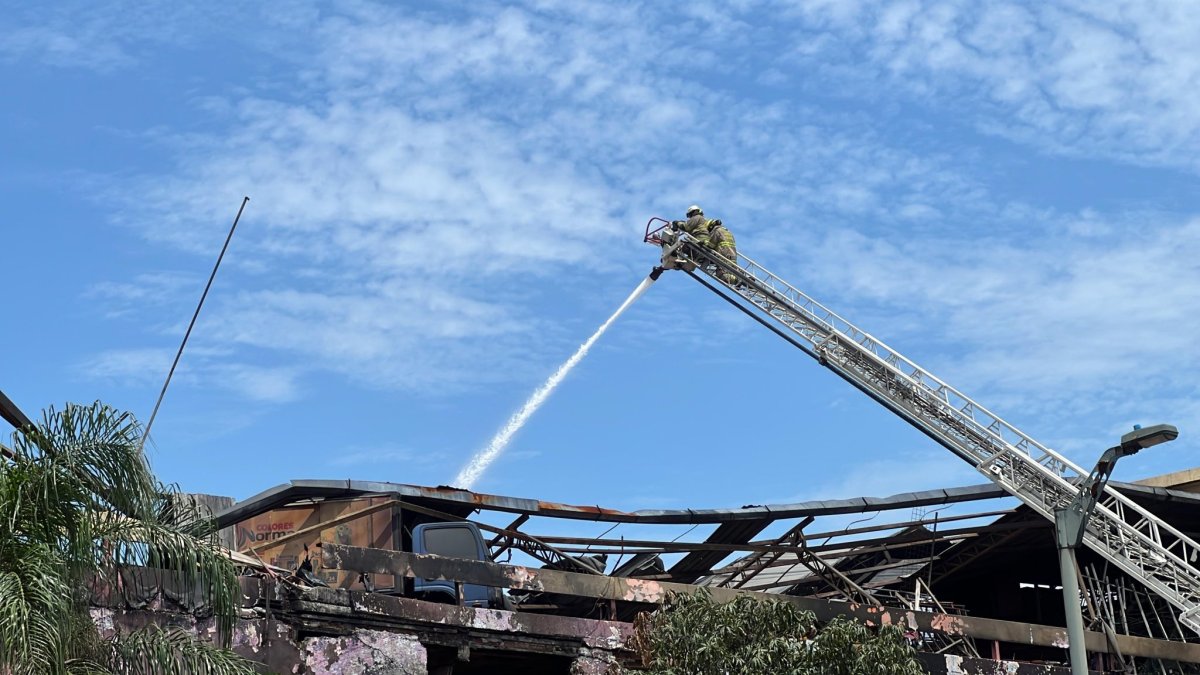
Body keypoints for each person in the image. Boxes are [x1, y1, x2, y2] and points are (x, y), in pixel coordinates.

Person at [707, 218, 739, 285]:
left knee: (721, 274)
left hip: (724, 254)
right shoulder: (728, 232)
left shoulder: (717, 231)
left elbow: (711, 245)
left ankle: (738, 281)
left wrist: (704, 244)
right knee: (734, 271)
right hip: (733, 255)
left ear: (711, 226)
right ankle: (743, 279)